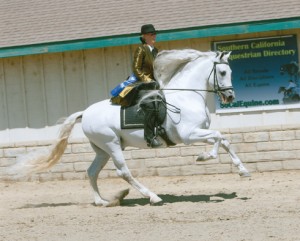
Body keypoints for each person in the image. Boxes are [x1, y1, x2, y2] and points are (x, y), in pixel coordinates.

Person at [133, 24, 162, 148]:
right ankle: (149, 137)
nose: (154, 36)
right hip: (143, 85)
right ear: (144, 36)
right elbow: (136, 68)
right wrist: (148, 80)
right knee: (150, 105)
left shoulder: (155, 51)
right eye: (151, 34)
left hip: (155, 85)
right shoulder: (141, 49)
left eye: (154, 34)